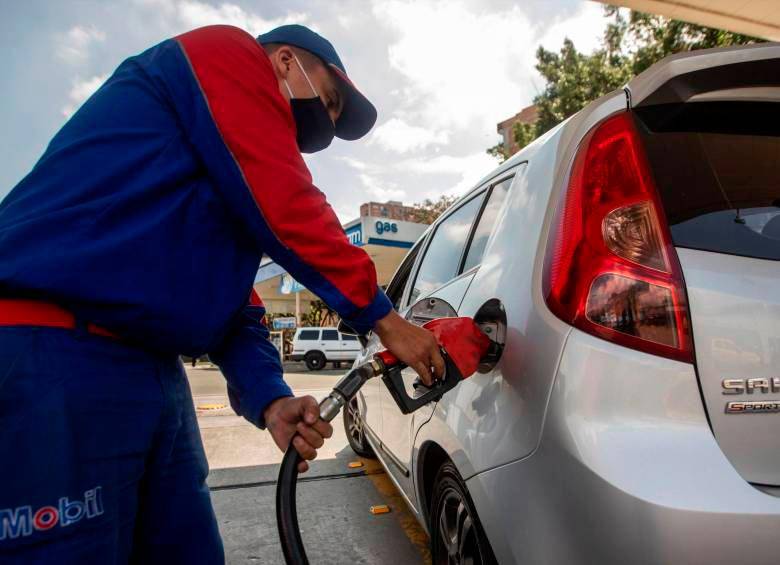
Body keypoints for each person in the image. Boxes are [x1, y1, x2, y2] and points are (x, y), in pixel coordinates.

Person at [0, 24, 444, 564]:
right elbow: (287, 199)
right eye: (327, 101)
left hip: (153, 372)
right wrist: (385, 319)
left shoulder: (224, 178)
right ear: (284, 62)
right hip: (50, 347)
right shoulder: (226, 53)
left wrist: (271, 398)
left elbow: (236, 305)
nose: (324, 125)